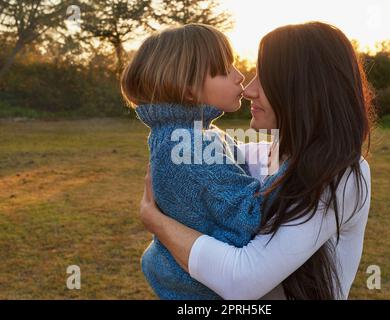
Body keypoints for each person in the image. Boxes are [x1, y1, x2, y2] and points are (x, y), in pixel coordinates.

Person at [139, 22, 375, 300]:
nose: (249, 90)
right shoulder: (259, 155)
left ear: (301, 88)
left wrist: (157, 222)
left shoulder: (339, 173)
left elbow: (241, 281)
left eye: (264, 78)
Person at [120, 23, 285, 299]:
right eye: (225, 71)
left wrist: (279, 149)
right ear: (188, 90)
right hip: (204, 290)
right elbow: (249, 217)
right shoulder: (190, 143)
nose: (240, 76)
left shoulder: (184, 132)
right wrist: (299, 164)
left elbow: (237, 162)